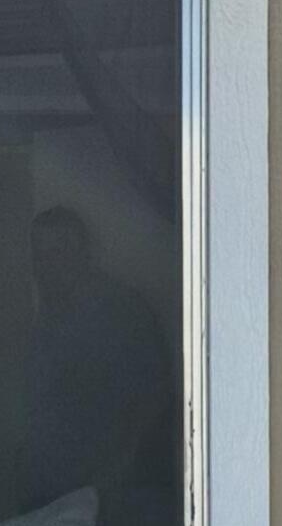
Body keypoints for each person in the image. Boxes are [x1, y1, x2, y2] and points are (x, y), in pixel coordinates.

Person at [22, 204, 174, 510]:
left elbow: (153, 397)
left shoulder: (123, 311)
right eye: (40, 255)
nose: (48, 264)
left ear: (82, 253)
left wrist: (116, 472)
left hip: (113, 493)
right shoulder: (45, 318)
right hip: (57, 492)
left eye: (60, 251)